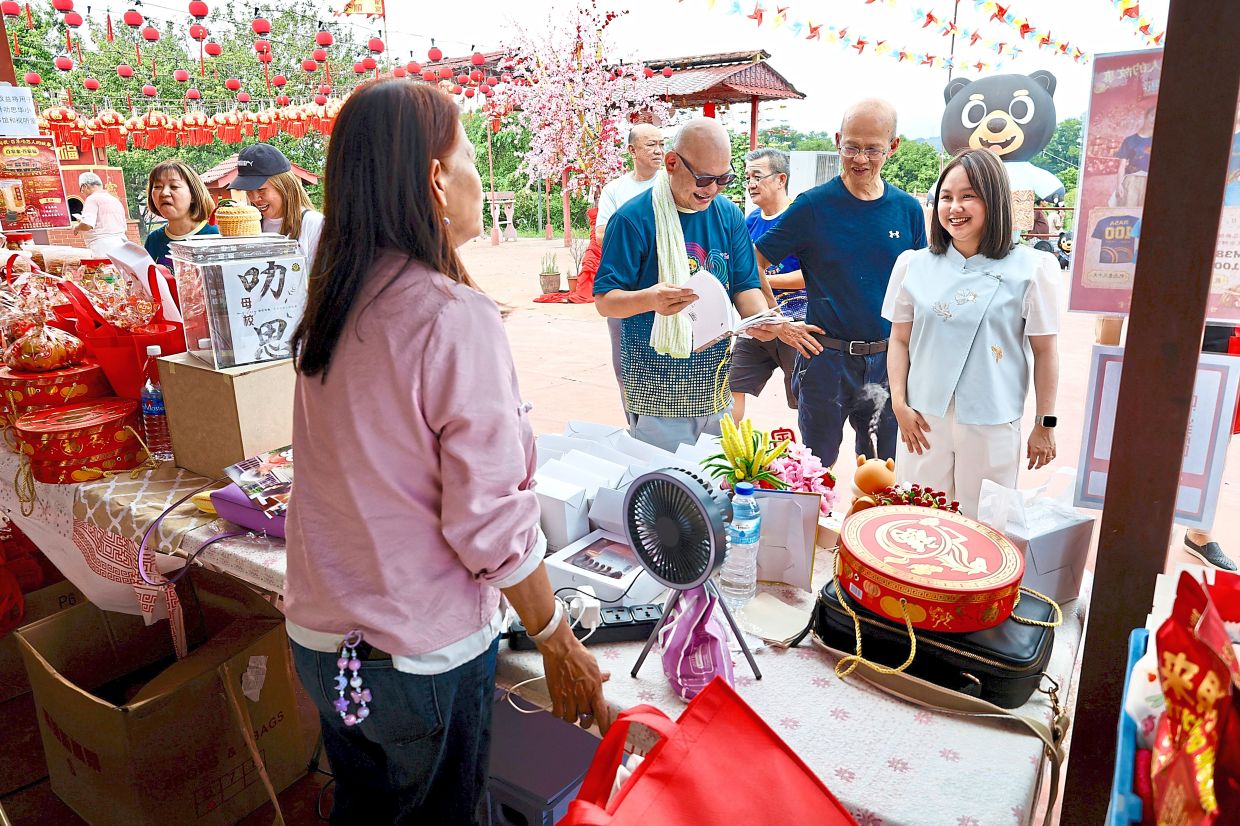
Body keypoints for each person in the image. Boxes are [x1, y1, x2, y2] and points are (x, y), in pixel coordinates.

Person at [283, 80, 611, 825]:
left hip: (320, 641)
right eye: (467, 158)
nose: (477, 179)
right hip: (417, 657)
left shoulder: (335, 300)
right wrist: (555, 637)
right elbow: (487, 520)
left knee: (365, 809)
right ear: (435, 178)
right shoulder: (449, 315)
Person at [594, 118, 796, 452]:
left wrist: (762, 320)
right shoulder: (633, 219)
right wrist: (650, 299)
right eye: (703, 178)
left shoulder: (727, 215)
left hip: (715, 385)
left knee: (714, 489)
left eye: (723, 179)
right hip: (655, 387)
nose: (712, 189)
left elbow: (745, 285)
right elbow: (605, 300)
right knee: (666, 492)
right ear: (672, 163)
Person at [883, 148, 1060, 519]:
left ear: (993, 200)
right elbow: (899, 339)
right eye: (946, 197)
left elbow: (1045, 350)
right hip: (922, 418)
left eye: (968, 196)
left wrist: (1045, 423)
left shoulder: (1031, 268)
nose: (954, 207)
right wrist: (899, 403)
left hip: (992, 419)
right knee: (918, 521)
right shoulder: (913, 265)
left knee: (984, 526)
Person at [754, 98, 927, 468]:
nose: (860, 159)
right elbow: (753, 261)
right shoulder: (813, 206)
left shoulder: (907, 210)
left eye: (872, 149)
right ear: (837, 141)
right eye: (851, 147)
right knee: (815, 470)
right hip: (825, 360)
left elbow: (922, 285)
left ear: (892, 147)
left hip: (886, 361)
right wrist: (777, 321)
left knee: (881, 470)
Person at [730, 148, 806, 421]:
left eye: (757, 176)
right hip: (757, 319)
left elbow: (810, 276)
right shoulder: (749, 222)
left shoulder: (800, 219)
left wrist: (763, 280)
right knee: (732, 384)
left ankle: (806, 462)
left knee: (804, 396)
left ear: (780, 179)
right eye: (747, 177)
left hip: (795, 321)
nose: (751, 184)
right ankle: (730, 454)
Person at [596, 124, 664, 402]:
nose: (659, 150)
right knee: (625, 366)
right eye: (651, 145)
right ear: (632, 150)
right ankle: (635, 421)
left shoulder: (671, 184)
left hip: (666, 287)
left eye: (662, 143)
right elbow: (602, 234)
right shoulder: (615, 190)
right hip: (625, 289)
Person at [231, 143, 325, 270]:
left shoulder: (314, 224)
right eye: (248, 191)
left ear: (284, 186)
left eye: (261, 190)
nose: (254, 198)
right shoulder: (250, 226)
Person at [143, 161, 219, 269]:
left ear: (193, 195)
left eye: (174, 186)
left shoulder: (215, 236)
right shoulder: (153, 240)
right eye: (158, 186)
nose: (164, 193)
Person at [73, 172, 128, 256]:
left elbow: (87, 225)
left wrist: (77, 227)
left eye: (81, 188)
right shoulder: (115, 200)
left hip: (103, 246)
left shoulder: (92, 199)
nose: (82, 192)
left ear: (85, 186)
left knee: (105, 268)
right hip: (122, 243)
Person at [1114, 105, 1155, 208]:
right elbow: (1122, 166)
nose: (1154, 119)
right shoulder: (1130, 140)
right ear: (1146, 116)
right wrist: (1119, 185)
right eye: (1152, 115)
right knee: (1128, 212)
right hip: (1132, 181)